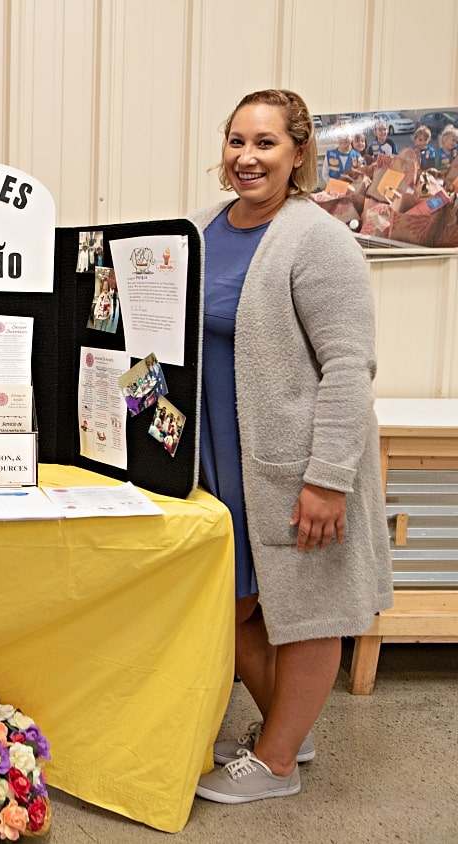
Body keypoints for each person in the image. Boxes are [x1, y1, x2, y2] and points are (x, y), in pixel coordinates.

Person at [190, 89, 393, 804]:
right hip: (221, 465)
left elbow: (348, 366)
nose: (247, 156)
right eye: (236, 140)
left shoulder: (316, 239)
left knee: (308, 611)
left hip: (296, 467)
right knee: (238, 604)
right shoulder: (205, 228)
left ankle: (276, 764)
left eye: (266, 142)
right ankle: (289, 730)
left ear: (299, 153)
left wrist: (328, 479)